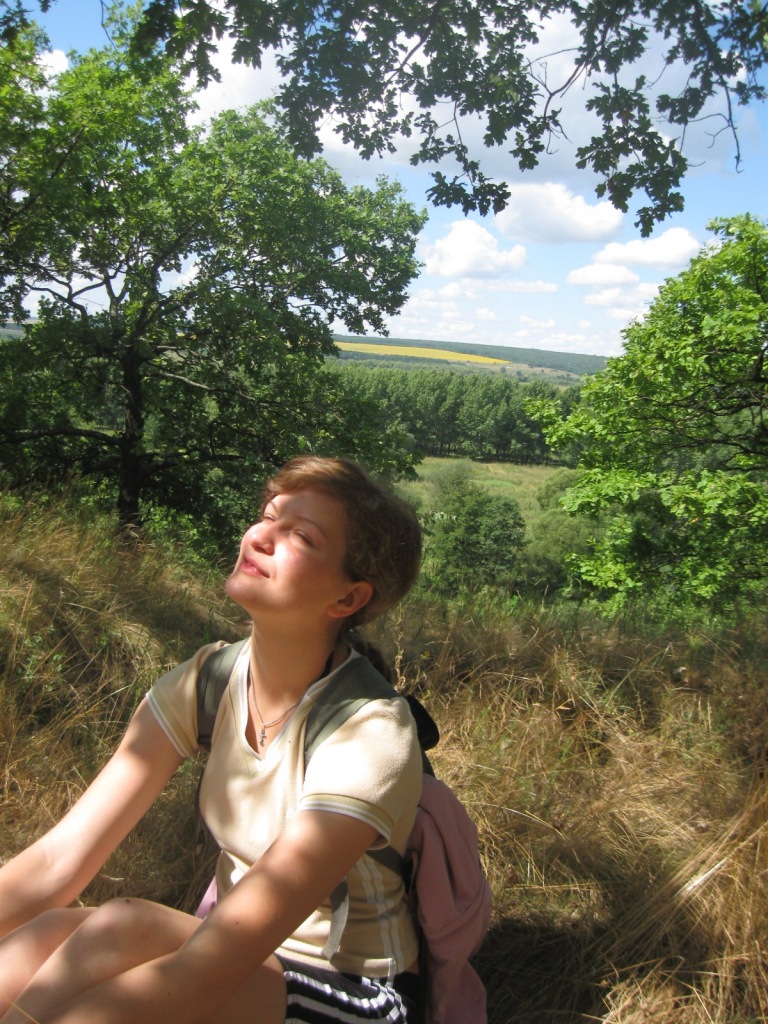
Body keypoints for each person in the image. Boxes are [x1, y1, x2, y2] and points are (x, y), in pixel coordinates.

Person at [0, 455, 424, 1024]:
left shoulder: (371, 731)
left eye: (301, 536)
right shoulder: (208, 681)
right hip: (231, 951)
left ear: (347, 599)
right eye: (268, 516)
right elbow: (57, 861)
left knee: (123, 926)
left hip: (352, 989)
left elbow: (206, 973)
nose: (260, 537)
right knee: (51, 933)